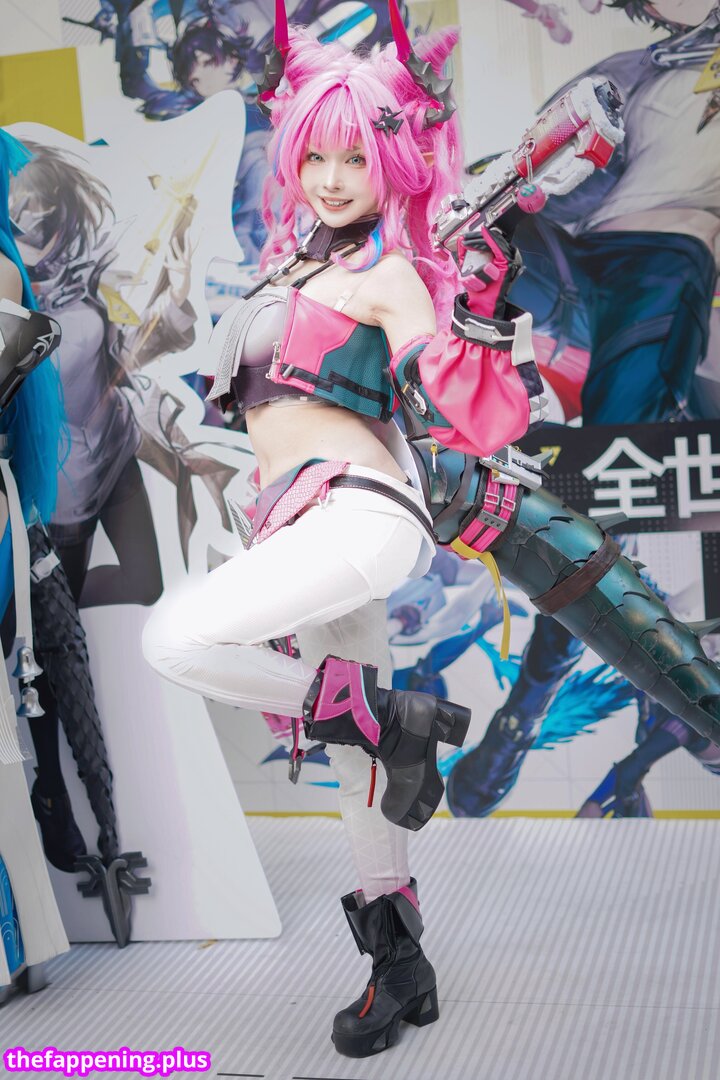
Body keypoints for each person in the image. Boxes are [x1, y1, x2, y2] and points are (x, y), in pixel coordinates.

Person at [142, 2, 547, 1057]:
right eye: (315, 156)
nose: (331, 178)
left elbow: (461, 405)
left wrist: (481, 324)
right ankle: (400, 971)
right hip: (297, 526)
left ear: (389, 166)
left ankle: (391, 718)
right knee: (358, 767)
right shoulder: (293, 271)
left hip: (359, 515)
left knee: (174, 639)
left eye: (355, 159)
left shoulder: (387, 275)